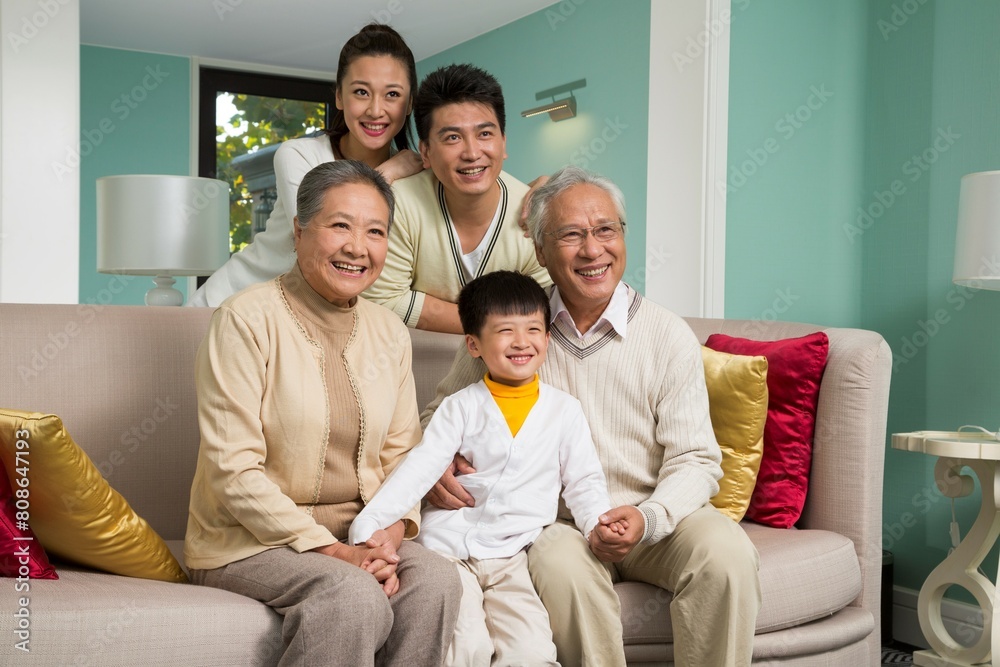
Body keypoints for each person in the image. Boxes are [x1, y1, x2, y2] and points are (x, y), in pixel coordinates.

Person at [423, 167, 762, 667]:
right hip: (557, 523)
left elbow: (695, 458)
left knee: (727, 554)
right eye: (571, 235)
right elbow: (440, 414)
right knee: (562, 567)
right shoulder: (512, 330)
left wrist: (648, 517)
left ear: (623, 237)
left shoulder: (667, 335)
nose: (592, 249)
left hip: (654, 514)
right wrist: (441, 463)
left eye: (606, 230)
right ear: (540, 250)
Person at [184, 160, 461, 666]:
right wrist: (337, 554)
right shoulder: (244, 321)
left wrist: (387, 538)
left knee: (437, 580)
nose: (358, 247)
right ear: (298, 230)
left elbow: (403, 457)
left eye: (375, 232)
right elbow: (233, 471)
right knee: (350, 593)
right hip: (247, 540)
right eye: (340, 226)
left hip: (360, 529)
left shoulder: (389, 332)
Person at [348, 270, 626, 666]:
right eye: (504, 331)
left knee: (531, 653)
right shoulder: (459, 406)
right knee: (467, 647)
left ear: (548, 339)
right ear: (474, 345)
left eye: (533, 329)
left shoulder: (565, 411)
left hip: (514, 554)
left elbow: (584, 482)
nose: (521, 342)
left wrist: (599, 524)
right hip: (448, 550)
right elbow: (420, 469)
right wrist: (370, 525)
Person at [189, 23, 423, 307]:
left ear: (410, 102)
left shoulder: (415, 178)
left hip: (299, 320)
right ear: (339, 96)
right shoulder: (298, 156)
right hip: (225, 304)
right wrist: (389, 172)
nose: (375, 110)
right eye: (361, 92)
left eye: (392, 94)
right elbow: (316, 241)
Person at [363, 64, 551, 334]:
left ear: (503, 143)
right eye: (453, 137)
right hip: (413, 357)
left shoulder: (531, 211)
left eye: (485, 134)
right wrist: (495, 323)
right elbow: (384, 300)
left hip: (511, 365)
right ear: (425, 152)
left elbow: (545, 307)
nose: (472, 153)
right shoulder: (399, 204)